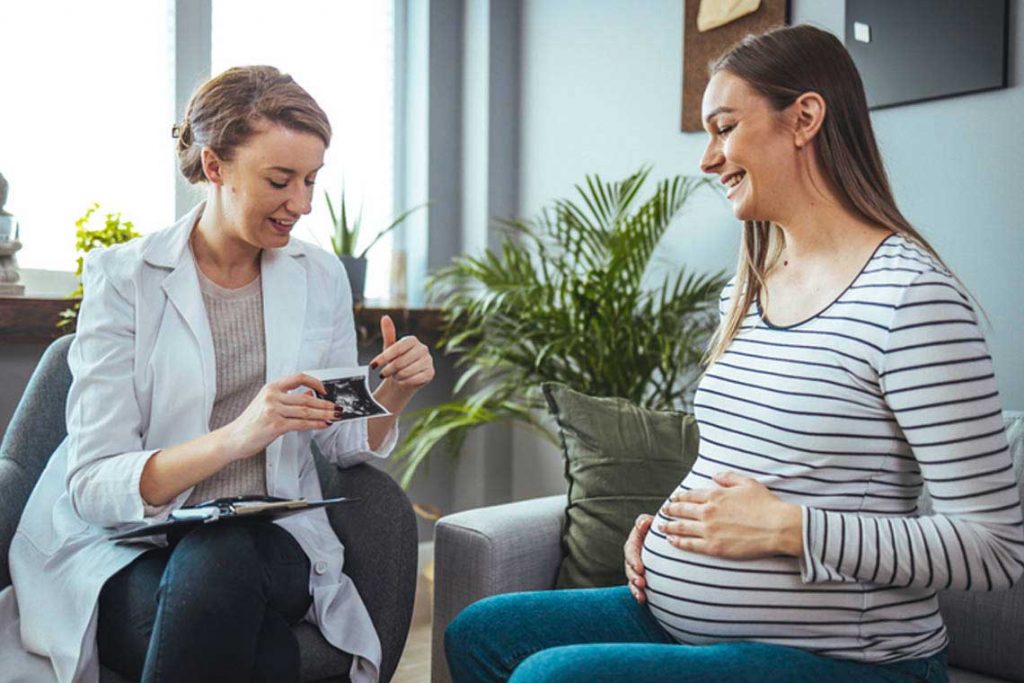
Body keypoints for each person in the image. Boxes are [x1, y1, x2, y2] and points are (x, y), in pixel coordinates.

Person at [444, 24, 1023, 683]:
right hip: (685, 619)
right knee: (479, 635)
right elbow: (749, 462)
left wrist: (788, 529)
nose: (706, 158)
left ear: (804, 118)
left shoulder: (910, 299)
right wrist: (666, 529)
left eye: (724, 127)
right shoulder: (750, 284)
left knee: (552, 676)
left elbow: (994, 546)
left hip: (851, 659)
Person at [0, 65, 434, 683]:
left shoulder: (319, 277)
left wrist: (393, 390)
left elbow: (339, 443)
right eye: (280, 180)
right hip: (132, 542)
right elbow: (94, 484)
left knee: (222, 556)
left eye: (311, 181)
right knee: (241, 631)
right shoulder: (125, 278)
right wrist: (240, 435)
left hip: (274, 541)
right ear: (214, 167)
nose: (303, 205)